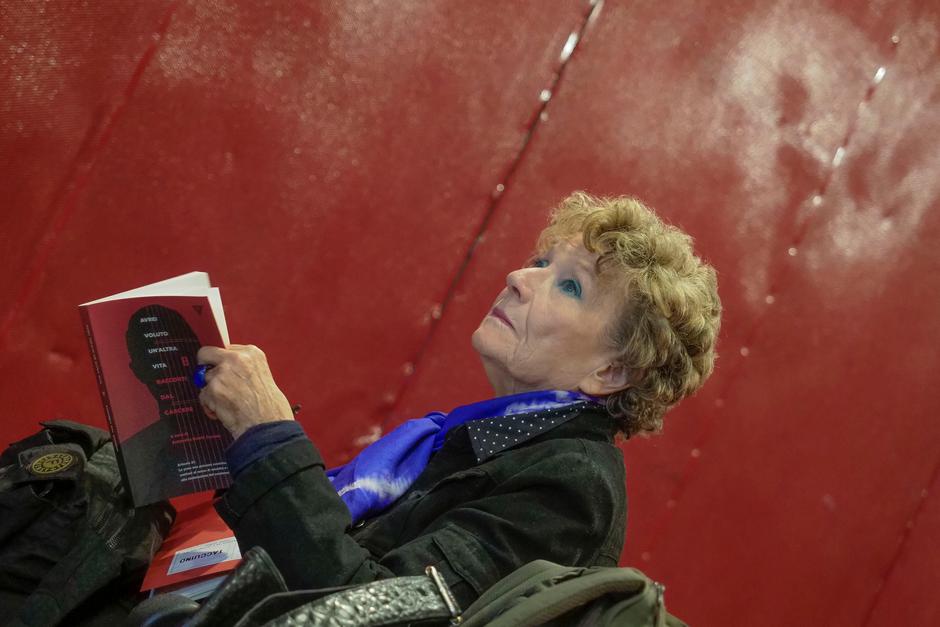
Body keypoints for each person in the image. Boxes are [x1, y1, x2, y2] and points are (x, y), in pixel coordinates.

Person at [195, 191, 722, 609]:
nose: (518, 278)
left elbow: (360, 609)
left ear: (611, 370)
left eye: (569, 287)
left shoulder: (570, 488)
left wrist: (268, 442)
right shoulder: (478, 441)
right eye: (539, 261)